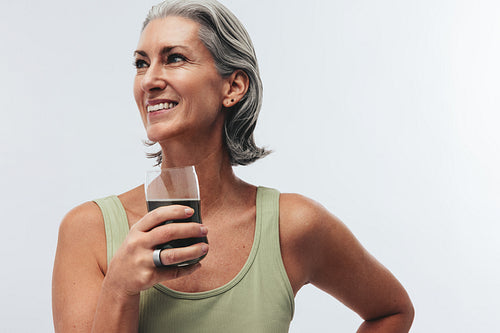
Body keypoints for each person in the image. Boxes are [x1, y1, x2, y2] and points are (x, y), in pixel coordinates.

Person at [52, 0, 414, 332]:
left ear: (234, 87)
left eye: (174, 58)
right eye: (141, 63)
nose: (149, 80)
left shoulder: (294, 226)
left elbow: (391, 311)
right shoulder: (88, 231)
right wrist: (120, 286)